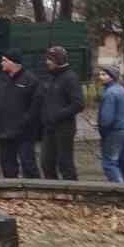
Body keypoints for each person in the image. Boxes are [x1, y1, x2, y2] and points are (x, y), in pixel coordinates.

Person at [37, 44, 85, 181]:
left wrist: (58, 114)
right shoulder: (51, 77)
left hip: (64, 128)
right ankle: (52, 192)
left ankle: (73, 192)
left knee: (65, 163)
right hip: (49, 128)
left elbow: (78, 104)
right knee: (46, 163)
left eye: (50, 59)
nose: (47, 62)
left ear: (59, 60)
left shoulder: (70, 78)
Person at [0, 50, 40, 179]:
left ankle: (34, 191)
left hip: (24, 132)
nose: (1, 63)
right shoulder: (0, 78)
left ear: (14, 62)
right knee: (6, 164)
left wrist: (25, 121)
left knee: (28, 163)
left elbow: (35, 106)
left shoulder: (30, 80)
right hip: (3, 130)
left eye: (4, 60)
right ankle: (10, 190)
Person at [97, 66, 124, 184]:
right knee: (121, 162)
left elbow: (106, 118)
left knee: (109, 163)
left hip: (113, 131)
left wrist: (102, 129)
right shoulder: (123, 91)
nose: (101, 77)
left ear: (112, 77)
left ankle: (120, 189)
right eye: (100, 74)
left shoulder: (110, 93)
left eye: (104, 74)